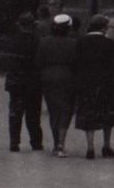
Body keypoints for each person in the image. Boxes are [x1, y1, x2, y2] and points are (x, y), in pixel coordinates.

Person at [0, 10, 44, 153]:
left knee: (15, 113)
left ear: (20, 25)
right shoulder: (37, 41)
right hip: (33, 83)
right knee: (34, 115)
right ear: (32, 25)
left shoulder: (12, 41)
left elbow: (6, 61)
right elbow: (40, 61)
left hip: (16, 82)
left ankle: (14, 142)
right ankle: (36, 142)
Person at [74, 16, 114, 159]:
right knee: (107, 114)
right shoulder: (110, 43)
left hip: (86, 83)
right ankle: (106, 145)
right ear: (103, 27)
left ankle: (90, 147)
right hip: (105, 84)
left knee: (89, 113)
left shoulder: (80, 42)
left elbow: (77, 64)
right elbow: (113, 67)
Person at [35, 12, 79, 157]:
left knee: (53, 111)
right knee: (66, 110)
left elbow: (39, 62)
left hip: (48, 79)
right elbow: (77, 64)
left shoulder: (44, 42)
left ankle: (55, 143)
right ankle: (61, 143)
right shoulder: (73, 42)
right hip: (68, 78)